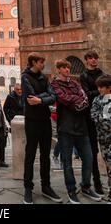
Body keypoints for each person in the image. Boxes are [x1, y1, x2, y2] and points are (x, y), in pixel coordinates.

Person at [51, 59, 101, 204]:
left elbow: (85, 98)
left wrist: (77, 102)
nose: (67, 69)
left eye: (68, 67)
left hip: (82, 127)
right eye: (64, 67)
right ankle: (71, 190)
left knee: (89, 159)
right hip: (66, 128)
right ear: (59, 69)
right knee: (67, 162)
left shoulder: (75, 83)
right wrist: (77, 101)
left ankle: (85, 186)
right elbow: (64, 99)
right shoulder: (54, 85)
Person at [21, 52, 61, 204]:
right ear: (33, 62)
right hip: (32, 121)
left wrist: (41, 99)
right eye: (40, 62)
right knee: (30, 155)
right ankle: (27, 188)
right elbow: (31, 97)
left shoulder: (45, 77)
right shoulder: (25, 77)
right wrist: (44, 97)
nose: (43, 64)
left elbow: (53, 96)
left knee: (46, 155)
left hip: (45, 120)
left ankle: (46, 186)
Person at [80, 50, 105, 196]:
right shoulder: (83, 76)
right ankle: (96, 183)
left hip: (104, 115)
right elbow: (87, 95)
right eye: (91, 58)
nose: (94, 60)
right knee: (93, 151)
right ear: (86, 60)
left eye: (95, 57)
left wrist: (99, 91)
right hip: (90, 118)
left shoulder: (102, 73)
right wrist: (101, 90)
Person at [91, 74, 111, 203]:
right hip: (103, 140)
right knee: (109, 166)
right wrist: (105, 121)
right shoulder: (97, 100)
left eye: (102, 87)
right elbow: (93, 115)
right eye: (98, 87)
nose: (99, 89)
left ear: (109, 88)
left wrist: (103, 121)